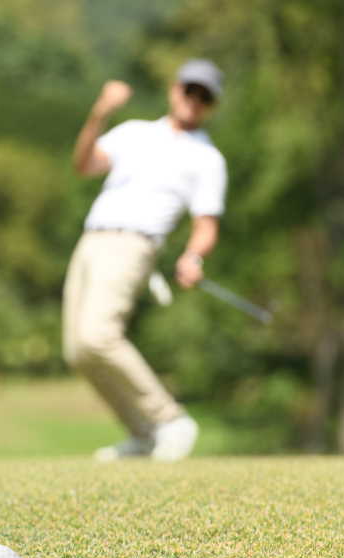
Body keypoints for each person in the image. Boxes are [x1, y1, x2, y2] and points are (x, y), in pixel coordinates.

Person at [63, 59, 227, 462]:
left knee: (98, 336)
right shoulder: (134, 132)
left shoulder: (208, 159)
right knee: (77, 350)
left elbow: (206, 224)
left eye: (204, 97)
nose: (194, 101)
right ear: (175, 90)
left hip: (133, 245)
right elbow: (84, 165)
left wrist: (193, 256)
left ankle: (169, 419)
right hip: (91, 240)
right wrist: (99, 113)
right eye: (190, 90)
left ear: (211, 106)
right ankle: (144, 435)